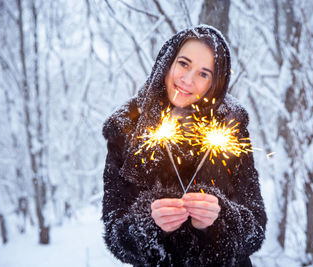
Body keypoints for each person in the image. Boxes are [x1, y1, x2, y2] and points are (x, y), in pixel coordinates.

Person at [102, 25, 266, 266]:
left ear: (215, 83)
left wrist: (221, 219)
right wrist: (148, 223)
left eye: (203, 74)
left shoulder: (230, 125)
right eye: (184, 64)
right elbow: (115, 235)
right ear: (168, 62)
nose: (187, 80)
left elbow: (256, 232)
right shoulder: (126, 128)